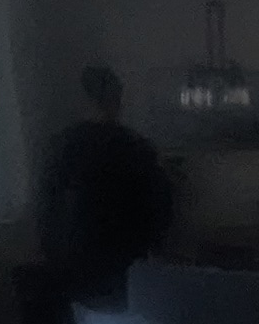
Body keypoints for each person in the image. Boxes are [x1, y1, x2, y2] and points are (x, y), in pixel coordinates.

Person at [36, 65, 173, 304]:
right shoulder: (135, 148)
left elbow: (46, 211)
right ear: (116, 99)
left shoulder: (60, 148)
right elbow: (160, 210)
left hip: (74, 271)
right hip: (124, 272)